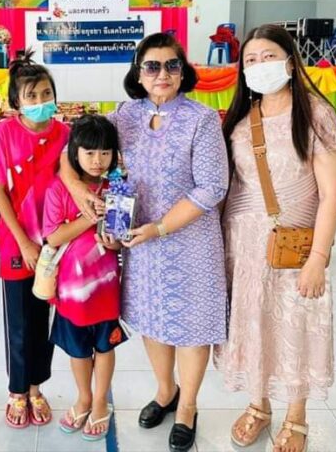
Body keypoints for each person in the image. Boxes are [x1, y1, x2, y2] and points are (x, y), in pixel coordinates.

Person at [62, 32, 229, 452]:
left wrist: (161, 227)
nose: (162, 74)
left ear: (183, 71)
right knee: (153, 320)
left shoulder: (201, 119)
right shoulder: (124, 115)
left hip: (190, 241)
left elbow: (213, 186)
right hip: (141, 242)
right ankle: (165, 391)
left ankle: (187, 406)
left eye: (172, 65)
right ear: (138, 73)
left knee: (191, 328)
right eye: (152, 66)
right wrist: (80, 192)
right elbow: (74, 150)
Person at [216, 24, 336, 452]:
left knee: (296, 327)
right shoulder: (241, 119)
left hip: (294, 248)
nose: (260, 66)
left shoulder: (315, 114)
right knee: (255, 327)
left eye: (268, 56)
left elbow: (331, 194)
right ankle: (259, 405)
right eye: (251, 60)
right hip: (243, 250)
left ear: (290, 61)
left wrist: (319, 258)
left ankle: (296, 415)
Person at [0, 52, 69, 429]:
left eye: (46, 93)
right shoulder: (4, 133)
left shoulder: (64, 134)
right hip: (17, 242)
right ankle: (17, 390)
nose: (40, 101)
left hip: (54, 243)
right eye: (31, 96)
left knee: (42, 317)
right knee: (18, 320)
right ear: (17, 101)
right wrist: (23, 242)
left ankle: (36, 387)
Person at [43, 115, 127, 441]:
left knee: (105, 347)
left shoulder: (116, 189)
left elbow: (120, 239)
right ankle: (84, 398)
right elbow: (53, 237)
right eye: (89, 152)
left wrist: (115, 241)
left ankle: (101, 402)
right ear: (74, 152)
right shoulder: (59, 188)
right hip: (71, 292)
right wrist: (90, 217)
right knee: (78, 351)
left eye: (105, 153)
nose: (97, 160)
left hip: (106, 290)